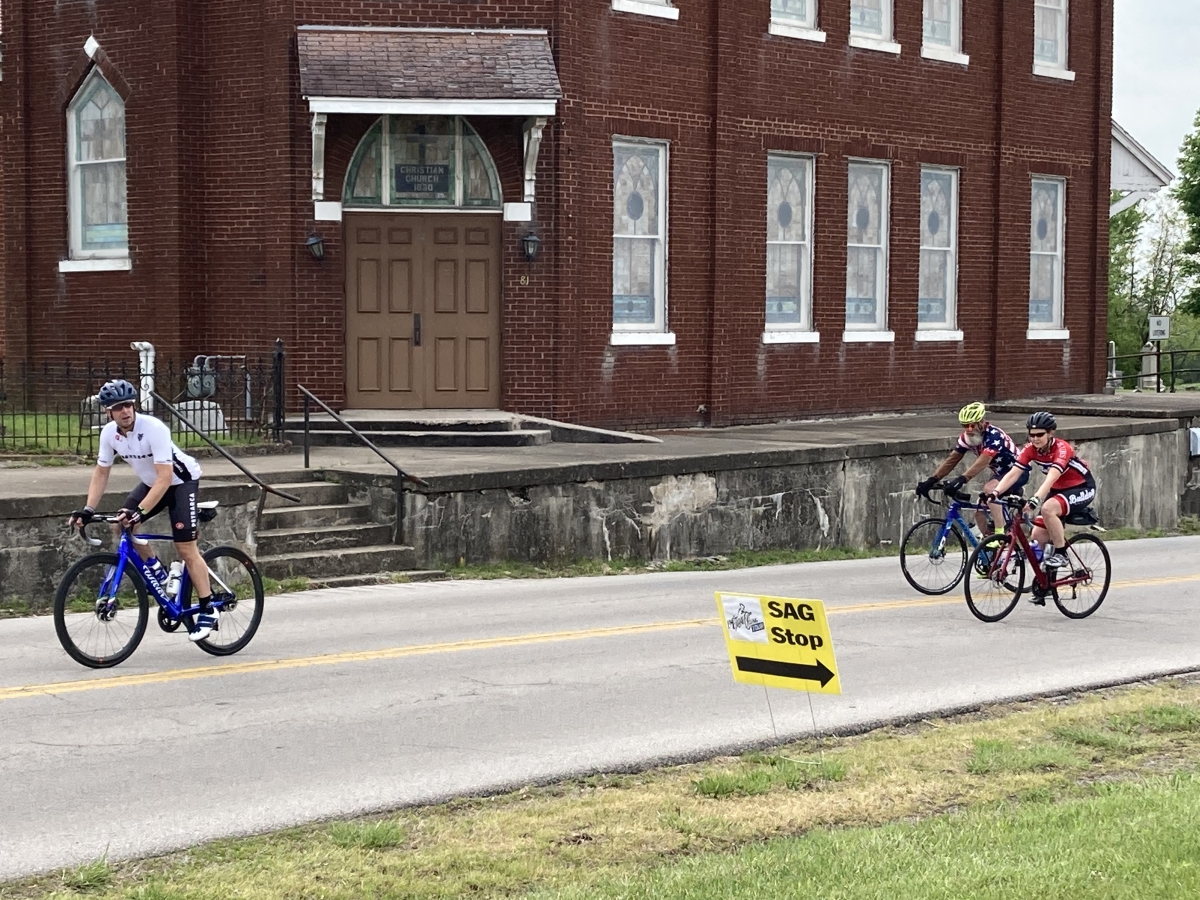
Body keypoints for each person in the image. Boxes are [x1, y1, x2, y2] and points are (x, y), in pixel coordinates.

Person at [68, 379, 226, 641]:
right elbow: (102, 472)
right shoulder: (109, 434)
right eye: (118, 407)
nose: (125, 411)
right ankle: (156, 570)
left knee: (185, 548)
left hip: (180, 482)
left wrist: (140, 512)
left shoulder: (153, 428)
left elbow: (165, 477)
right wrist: (88, 508)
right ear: (108, 412)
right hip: (153, 483)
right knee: (121, 523)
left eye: (128, 405)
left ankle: (208, 608)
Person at [990, 411, 1097, 576]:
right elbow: (1013, 473)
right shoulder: (1030, 449)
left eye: (1040, 434)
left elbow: (1051, 478)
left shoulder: (1062, 448)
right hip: (1058, 489)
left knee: (1048, 509)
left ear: (1050, 433)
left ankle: (1061, 553)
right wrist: (995, 493)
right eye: (1031, 435)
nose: (1035, 439)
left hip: (1081, 486)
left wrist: (1035, 499)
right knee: (1037, 536)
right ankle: (1045, 582)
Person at [915, 402, 1028, 537]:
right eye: (965, 426)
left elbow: (983, 460)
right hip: (1000, 474)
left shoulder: (994, 435)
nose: (968, 429)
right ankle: (988, 543)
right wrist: (932, 479)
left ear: (981, 422)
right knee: (979, 511)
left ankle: (1000, 535)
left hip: (1018, 472)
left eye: (972, 425)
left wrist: (962, 479)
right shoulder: (967, 438)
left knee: (989, 489)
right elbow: (952, 459)